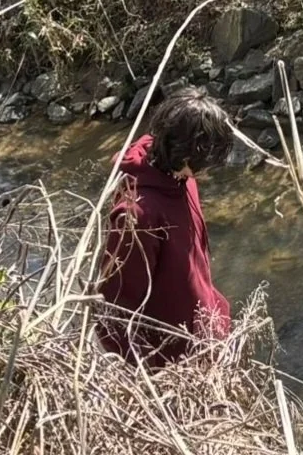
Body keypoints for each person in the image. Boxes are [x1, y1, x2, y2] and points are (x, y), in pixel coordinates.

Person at [97, 87, 234, 368]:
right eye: (206, 161)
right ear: (184, 154)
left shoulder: (181, 178)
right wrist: (141, 373)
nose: (208, 169)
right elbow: (114, 310)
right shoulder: (137, 216)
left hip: (203, 330)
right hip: (171, 360)